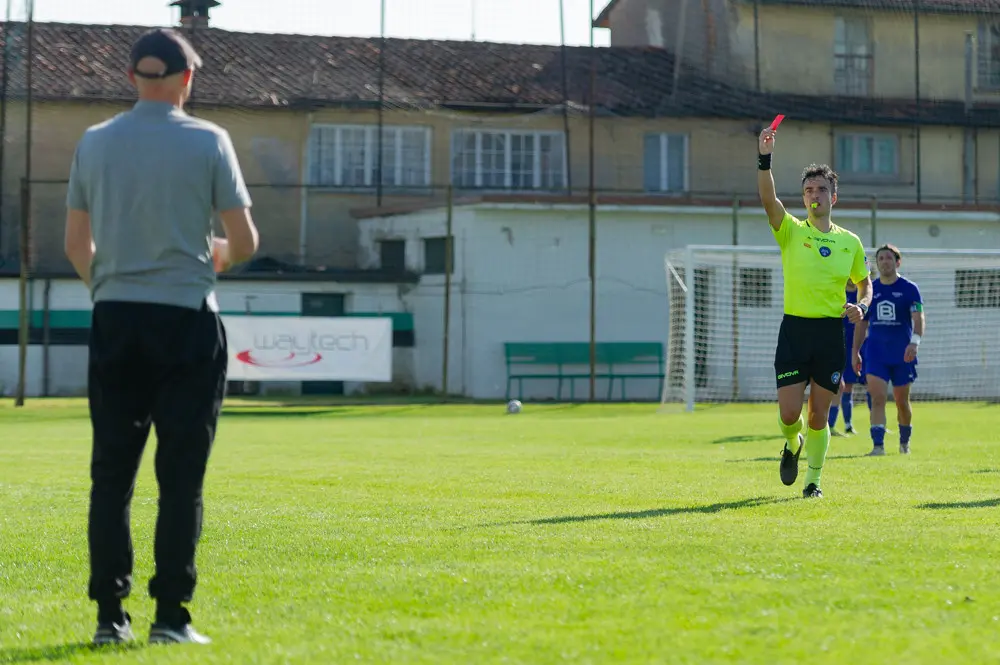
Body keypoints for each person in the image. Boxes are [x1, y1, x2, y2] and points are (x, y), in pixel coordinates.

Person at [64, 27, 259, 646]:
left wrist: (116, 286)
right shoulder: (210, 140)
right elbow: (245, 241)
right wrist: (216, 259)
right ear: (187, 80)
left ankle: (108, 620)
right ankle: (171, 619)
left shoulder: (94, 143)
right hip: (187, 323)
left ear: (131, 78)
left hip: (116, 319)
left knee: (111, 476)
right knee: (180, 479)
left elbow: (75, 247)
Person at [757, 125, 872, 499]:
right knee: (790, 415)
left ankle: (814, 482)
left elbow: (864, 283)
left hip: (828, 334)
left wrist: (862, 305)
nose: (814, 195)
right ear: (803, 198)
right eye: (808, 190)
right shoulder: (790, 230)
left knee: (820, 415)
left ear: (833, 196)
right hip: (794, 331)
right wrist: (765, 158)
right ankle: (792, 444)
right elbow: (768, 199)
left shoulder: (849, 242)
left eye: (821, 189)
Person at [851, 244, 924, 456]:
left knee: (901, 401)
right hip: (876, 353)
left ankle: (904, 443)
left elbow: (918, 317)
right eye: (881, 258)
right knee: (878, 398)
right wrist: (856, 350)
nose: (884, 262)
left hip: (902, 353)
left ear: (897, 262)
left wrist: (915, 341)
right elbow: (861, 324)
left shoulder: (910, 289)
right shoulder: (870, 291)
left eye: (889, 258)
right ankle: (878, 446)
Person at [829, 279, 866, 436]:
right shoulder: (837, 293)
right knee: (837, 385)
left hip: (854, 346)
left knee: (848, 386)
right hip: (836, 344)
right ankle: (827, 425)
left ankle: (848, 424)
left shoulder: (862, 297)